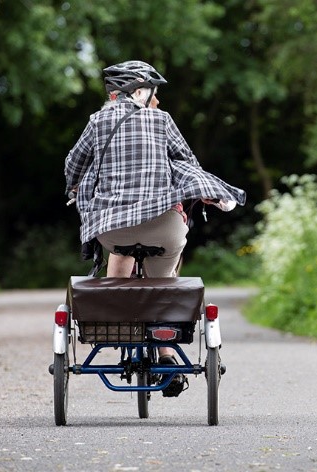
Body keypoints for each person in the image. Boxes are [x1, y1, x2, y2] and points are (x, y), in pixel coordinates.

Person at [64, 60, 245, 396]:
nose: (157, 102)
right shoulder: (162, 121)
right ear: (141, 91)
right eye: (154, 94)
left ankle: (120, 328)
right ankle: (165, 352)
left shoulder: (97, 121)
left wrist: (75, 189)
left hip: (112, 230)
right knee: (165, 275)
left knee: (119, 251)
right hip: (163, 228)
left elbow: (73, 164)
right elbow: (188, 163)